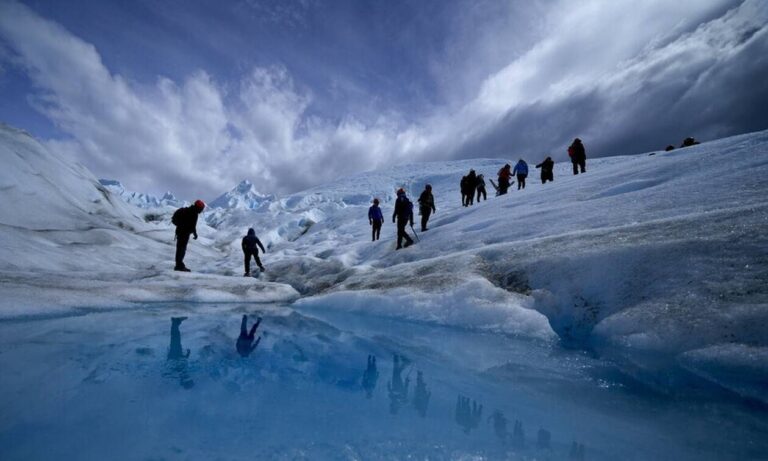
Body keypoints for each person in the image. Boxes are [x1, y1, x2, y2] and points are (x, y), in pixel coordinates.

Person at [172, 200, 205, 272]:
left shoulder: (188, 210)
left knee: (180, 249)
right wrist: (195, 234)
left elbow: (192, 225)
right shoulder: (194, 213)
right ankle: (179, 266)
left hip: (180, 232)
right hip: (184, 233)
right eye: (201, 209)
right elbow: (193, 225)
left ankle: (178, 265)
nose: (201, 210)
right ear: (198, 207)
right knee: (182, 249)